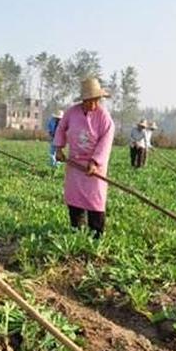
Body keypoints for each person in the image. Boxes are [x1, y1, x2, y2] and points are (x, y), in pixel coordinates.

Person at [53, 77, 115, 239]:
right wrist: (59, 149)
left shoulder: (104, 117)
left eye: (96, 100)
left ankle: (96, 234)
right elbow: (60, 129)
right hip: (74, 164)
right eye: (89, 101)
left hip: (94, 167)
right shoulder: (71, 113)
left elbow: (106, 142)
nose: (93, 104)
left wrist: (95, 162)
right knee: (75, 198)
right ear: (83, 100)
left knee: (95, 200)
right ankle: (76, 230)